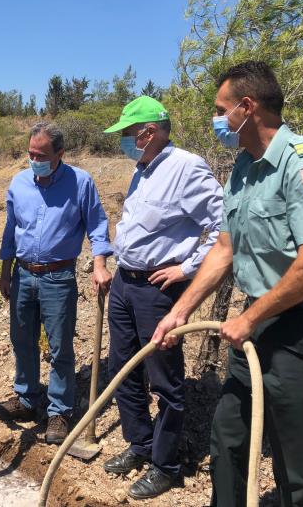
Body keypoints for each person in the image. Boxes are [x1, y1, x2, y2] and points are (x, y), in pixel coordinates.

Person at [153, 61, 303, 507]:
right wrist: (180, 310)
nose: (217, 119)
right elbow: (224, 249)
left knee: (291, 456)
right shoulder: (244, 166)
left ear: (247, 107)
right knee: (228, 437)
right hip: (257, 324)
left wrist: (249, 317)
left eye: (221, 109)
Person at [101, 96, 223, 500]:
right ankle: (140, 445)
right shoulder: (143, 170)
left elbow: (221, 225)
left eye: (126, 133)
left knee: (164, 378)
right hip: (125, 282)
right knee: (123, 368)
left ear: (149, 131)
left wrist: (187, 269)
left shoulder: (186, 167)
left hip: (158, 289)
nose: (123, 140)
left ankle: (166, 465)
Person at [0, 122, 113, 444]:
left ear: (60, 154)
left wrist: (99, 264)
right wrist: (5, 271)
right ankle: (26, 398)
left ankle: (59, 411)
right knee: (22, 339)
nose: (34, 159)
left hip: (58, 277)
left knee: (60, 346)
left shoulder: (81, 183)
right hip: (22, 273)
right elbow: (10, 231)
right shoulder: (18, 183)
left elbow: (98, 227)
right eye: (30, 154)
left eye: (41, 154)